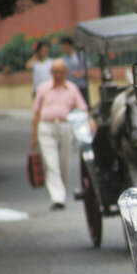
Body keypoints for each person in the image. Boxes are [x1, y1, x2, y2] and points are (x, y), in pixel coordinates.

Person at [31, 58, 90, 209]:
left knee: (64, 163)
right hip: (46, 127)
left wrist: (89, 121)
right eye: (55, 72)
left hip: (65, 126)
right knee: (51, 164)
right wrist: (33, 136)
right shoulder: (43, 88)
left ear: (66, 73)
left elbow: (82, 108)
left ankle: (60, 191)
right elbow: (36, 113)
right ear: (51, 72)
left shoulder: (72, 88)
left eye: (61, 72)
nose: (58, 75)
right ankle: (58, 198)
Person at [59, 36, 89, 106]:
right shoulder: (63, 59)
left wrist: (80, 74)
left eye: (63, 46)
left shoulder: (79, 56)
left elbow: (88, 70)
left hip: (80, 86)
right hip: (68, 87)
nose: (62, 48)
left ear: (68, 45)